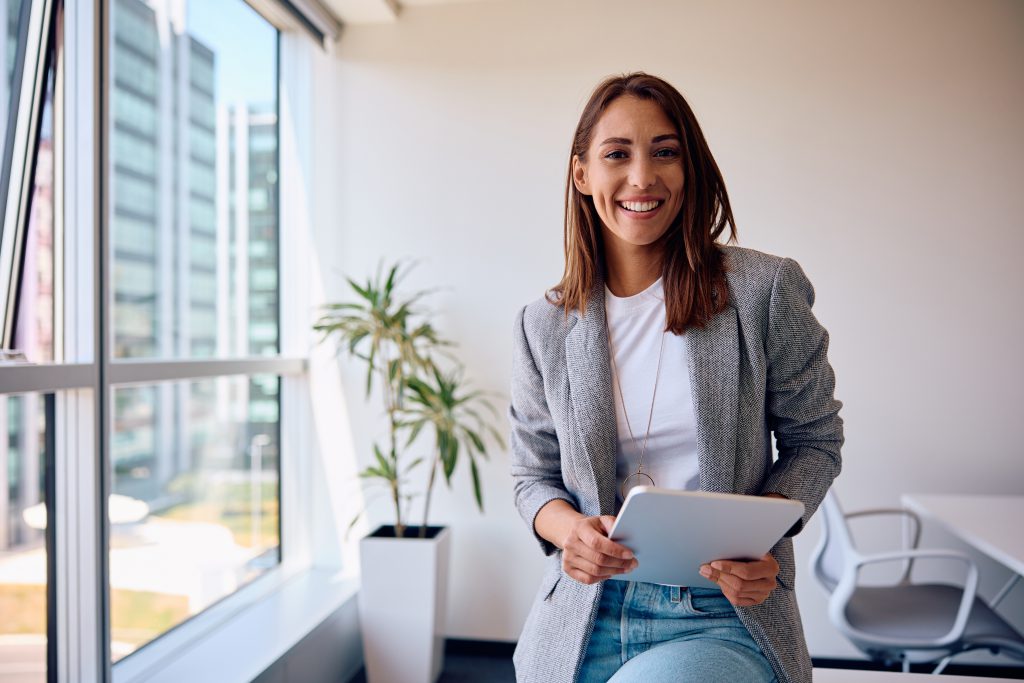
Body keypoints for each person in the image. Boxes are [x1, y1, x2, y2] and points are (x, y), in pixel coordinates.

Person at [508, 72, 844, 683]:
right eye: (618, 154)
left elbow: (816, 441)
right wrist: (570, 532)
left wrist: (760, 537)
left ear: (690, 171)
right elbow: (532, 476)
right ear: (582, 174)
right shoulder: (543, 326)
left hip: (721, 613)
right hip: (587, 616)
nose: (642, 177)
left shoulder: (760, 291)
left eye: (666, 152)